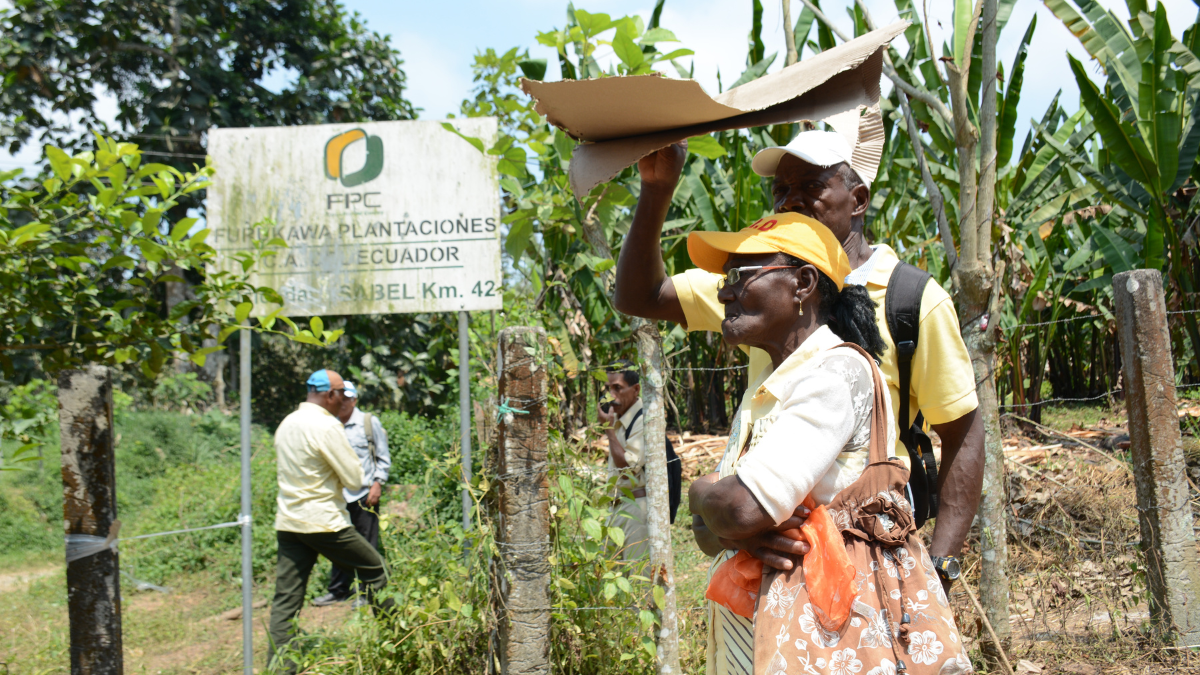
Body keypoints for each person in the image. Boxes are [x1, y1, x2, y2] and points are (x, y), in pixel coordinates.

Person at [613, 133, 984, 595]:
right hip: (762, 527)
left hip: (858, 549)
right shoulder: (759, 288)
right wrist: (657, 187)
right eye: (781, 191)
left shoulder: (911, 300)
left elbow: (961, 431)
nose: (791, 202)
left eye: (810, 187)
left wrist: (941, 568)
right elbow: (639, 296)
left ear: (858, 199)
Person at [679, 212, 972, 673]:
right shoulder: (770, 387)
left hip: (827, 641)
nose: (724, 291)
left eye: (740, 275)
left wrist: (705, 494)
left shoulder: (836, 374)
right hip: (759, 637)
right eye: (724, 277)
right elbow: (712, 534)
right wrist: (732, 524)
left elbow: (736, 509)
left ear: (803, 283)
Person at [268, 369, 391, 669]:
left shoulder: (288, 423)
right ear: (330, 395)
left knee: (286, 601)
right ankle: (399, 640)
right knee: (375, 569)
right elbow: (354, 478)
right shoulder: (325, 426)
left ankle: (280, 667)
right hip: (323, 521)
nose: (343, 402)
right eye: (340, 395)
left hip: (289, 522)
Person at [312, 380, 391, 609]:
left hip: (364, 494)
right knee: (339, 543)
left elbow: (383, 457)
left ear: (354, 400)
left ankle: (367, 593)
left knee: (367, 544)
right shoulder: (330, 425)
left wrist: (378, 484)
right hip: (338, 496)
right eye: (339, 397)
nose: (343, 402)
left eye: (347, 398)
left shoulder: (368, 422)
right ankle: (338, 590)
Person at [598, 361, 649, 560]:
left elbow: (629, 467)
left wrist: (608, 430)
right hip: (616, 506)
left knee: (638, 578)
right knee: (609, 571)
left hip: (636, 507)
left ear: (635, 389)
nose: (611, 396)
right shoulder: (620, 418)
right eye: (608, 389)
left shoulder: (643, 419)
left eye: (617, 388)